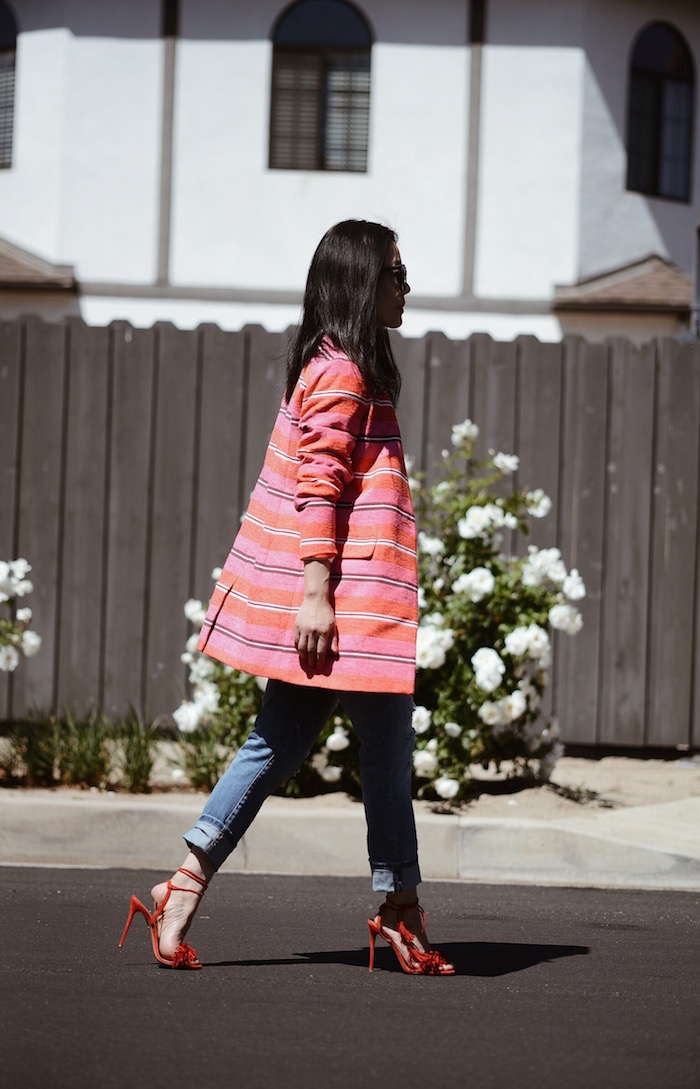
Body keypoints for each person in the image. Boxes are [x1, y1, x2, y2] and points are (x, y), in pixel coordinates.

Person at [119, 220, 454, 976]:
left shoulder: (337, 363)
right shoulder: (341, 371)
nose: (407, 285)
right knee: (346, 750)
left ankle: (188, 884)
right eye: (398, 272)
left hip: (352, 603)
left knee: (316, 746)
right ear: (363, 280)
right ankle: (397, 905)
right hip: (345, 604)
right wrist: (315, 594)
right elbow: (320, 484)